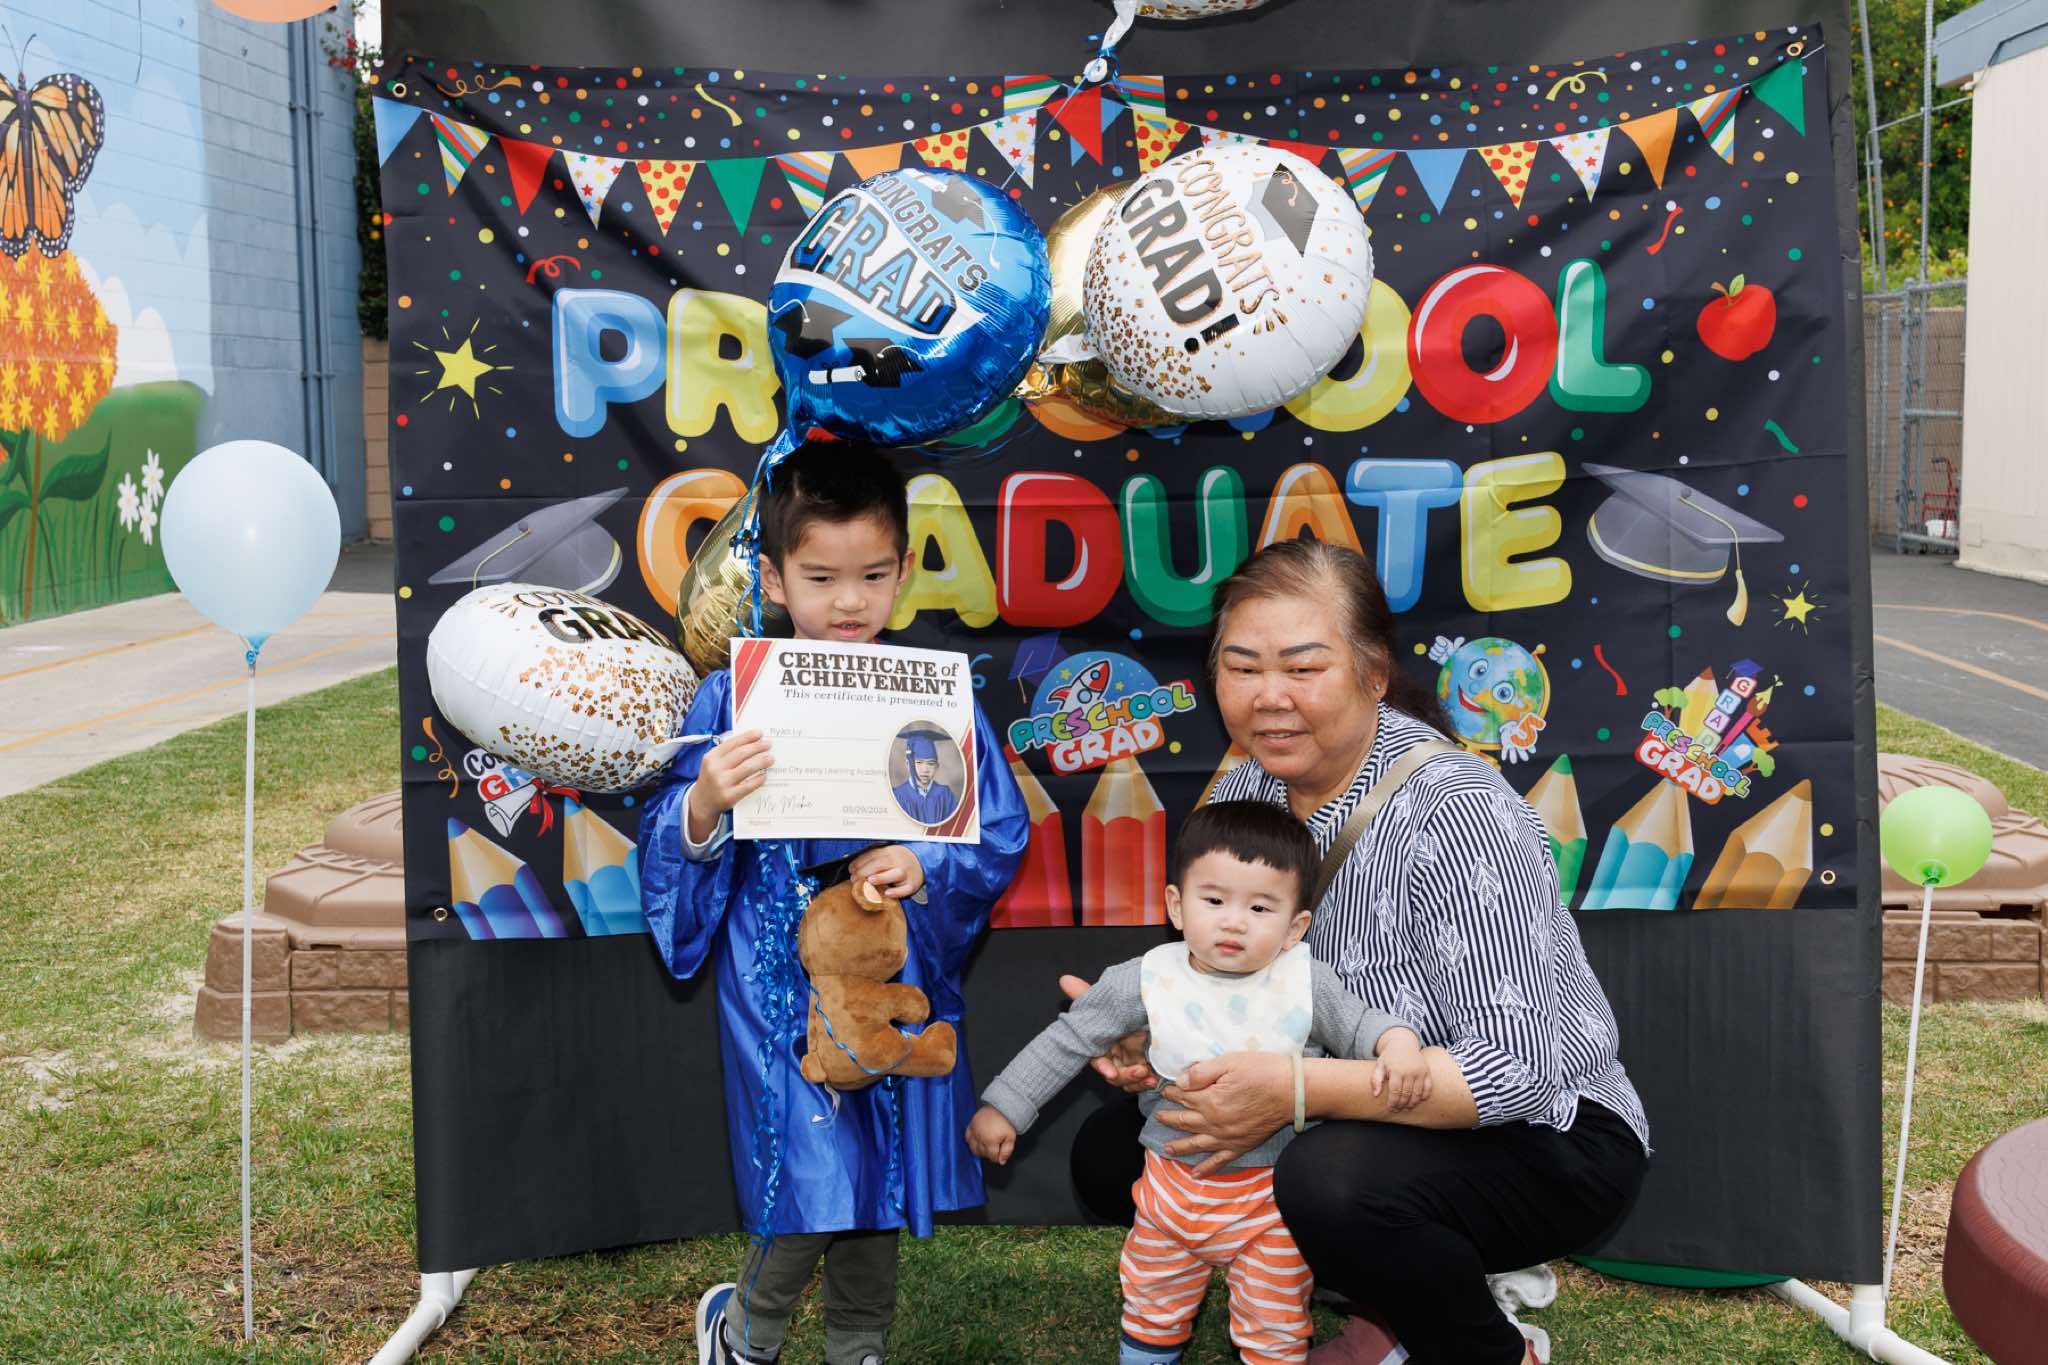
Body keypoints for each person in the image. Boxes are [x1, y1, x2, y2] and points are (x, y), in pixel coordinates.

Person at [1066, 538, 1650, 1365]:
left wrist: (1293, 1090)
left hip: (1547, 1134)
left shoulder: (1457, 810)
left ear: (1374, 673)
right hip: (1360, 1105)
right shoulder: (1245, 787)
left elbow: (1516, 1072)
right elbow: (1223, 972)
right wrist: (1158, 1033)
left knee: (1327, 1182)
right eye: (1241, 667)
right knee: (1117, 1151)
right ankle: (1387, 1309)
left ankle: (1488, 1349)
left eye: (1304, 668)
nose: (1269, 697)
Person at [637, 441, 1028, 1365]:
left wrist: (923, 863)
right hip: (775, 981)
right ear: (774, 578)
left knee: (880, 1169)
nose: (849, 601)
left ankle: (858, 1345)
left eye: (873, 575)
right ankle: (746, 1334)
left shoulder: (932, 699)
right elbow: (667, 836)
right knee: (812, 1171)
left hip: (890, 968)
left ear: (903, 570)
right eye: (821, 577)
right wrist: (705, 802)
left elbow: (998, 830)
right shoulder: (728, 698)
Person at [967, 800, 1433, 1365]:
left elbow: (1362, 1025)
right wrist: (1006, 1106)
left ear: (1295, 926)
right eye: (1214, 901)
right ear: (1176, 905)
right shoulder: (1145, 979)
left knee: (1275, 1320)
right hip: (1170, 1191)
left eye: (1260, 907)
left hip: (1272, 1201)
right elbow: (1069, 1039)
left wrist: (1397, 1042)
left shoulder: (1306, 982)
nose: (1234, 921)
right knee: (1152, 1299)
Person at [890, 730, 958, 824]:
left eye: (930, 763)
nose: (925, 769)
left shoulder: (945, 794)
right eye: (919, 762)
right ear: (908, 764)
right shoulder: (899, 795)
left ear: (937, 766)